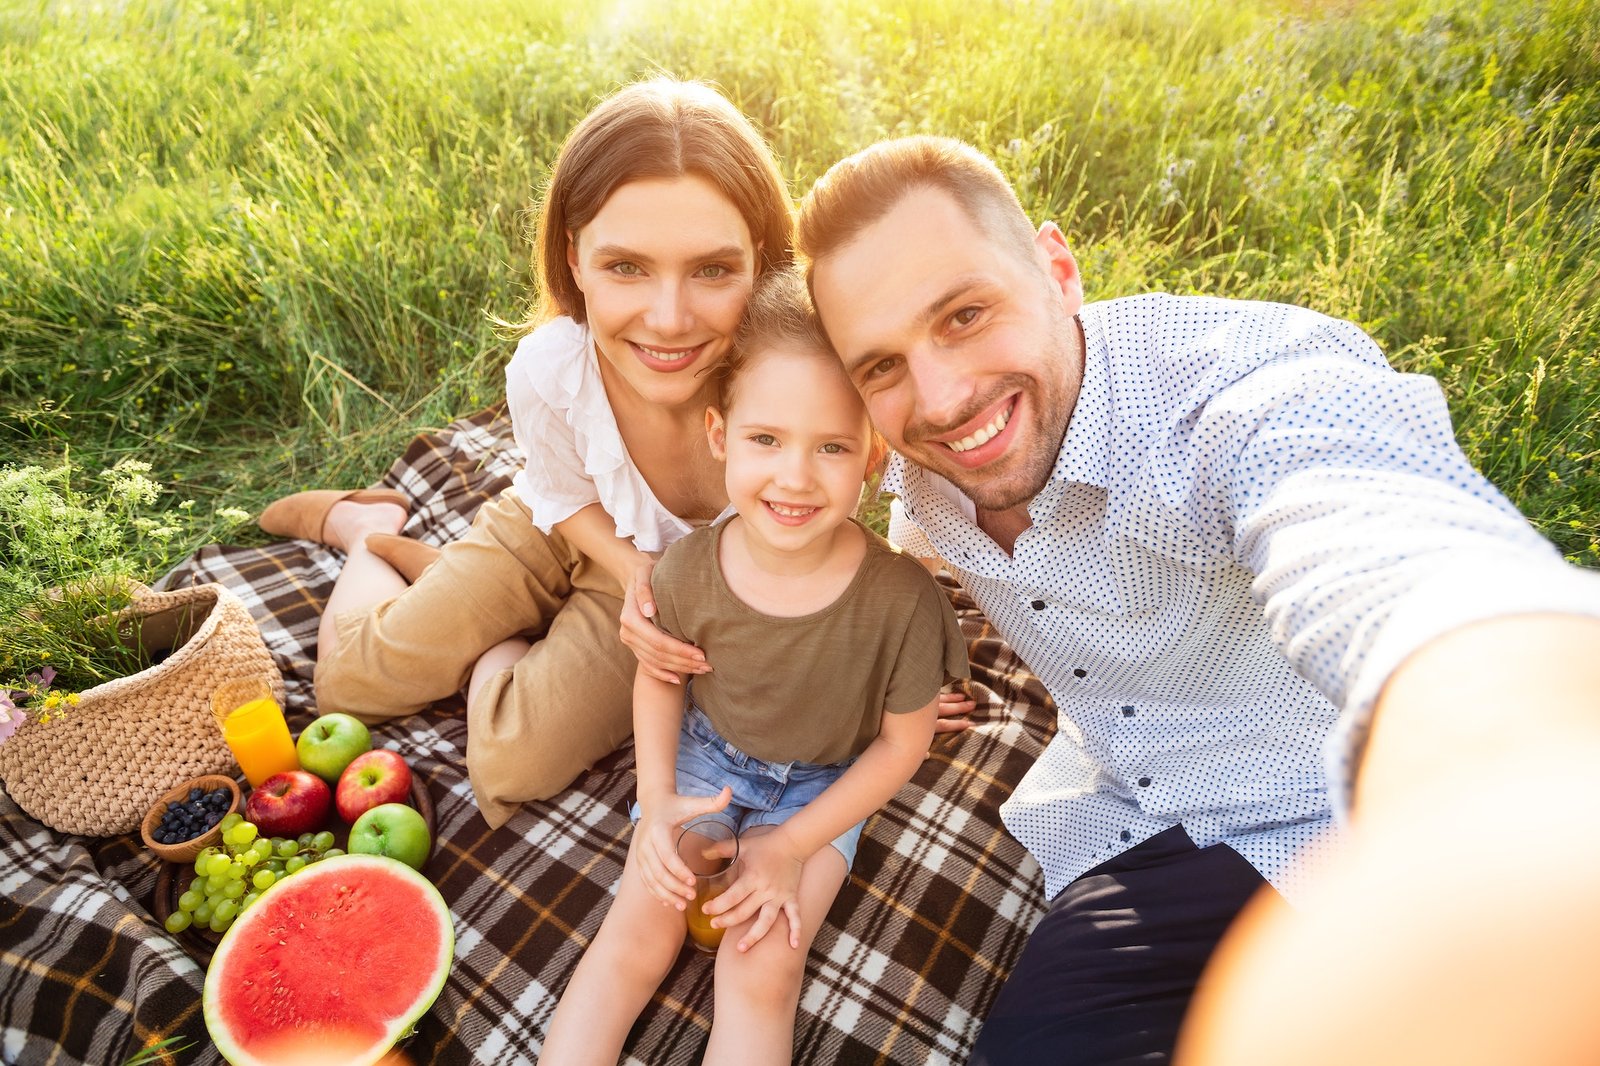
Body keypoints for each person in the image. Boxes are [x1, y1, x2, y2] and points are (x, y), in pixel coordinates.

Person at [788, 135, 1600, 1065]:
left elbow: (1385, 548)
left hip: (1343, 819)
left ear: (1058, 270)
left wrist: (1525, 768)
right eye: (880, 366)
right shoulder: (924, 463)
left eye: (966, 314)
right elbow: (912, 543)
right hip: (1127, 819)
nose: (940, 398)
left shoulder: (1235, 398)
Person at [255, 78, 793, 828]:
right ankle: (361, 528)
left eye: (712, 269)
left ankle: (480, 613)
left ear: (760, 261)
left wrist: (654, 589)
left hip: (668, 584)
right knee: (351, 685)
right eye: (626, 267)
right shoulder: (554, 368)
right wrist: (629, 563)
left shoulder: (795, 388)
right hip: (561, 526)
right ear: (575, 260)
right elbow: (562, 496)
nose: (669, 320)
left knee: (513, 759)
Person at [538, 270, 969, 1066]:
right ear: (719, 435)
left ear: (873, 457)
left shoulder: (903, 599)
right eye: (765, 439)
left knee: (761, 962)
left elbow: (901, 746)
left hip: (821, 787)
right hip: (707, 762)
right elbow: (662, 677)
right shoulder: (685, 571)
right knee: (638, 928)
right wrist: (659, 796)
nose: (795, 477)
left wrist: (795, 843)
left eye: (832, 447)